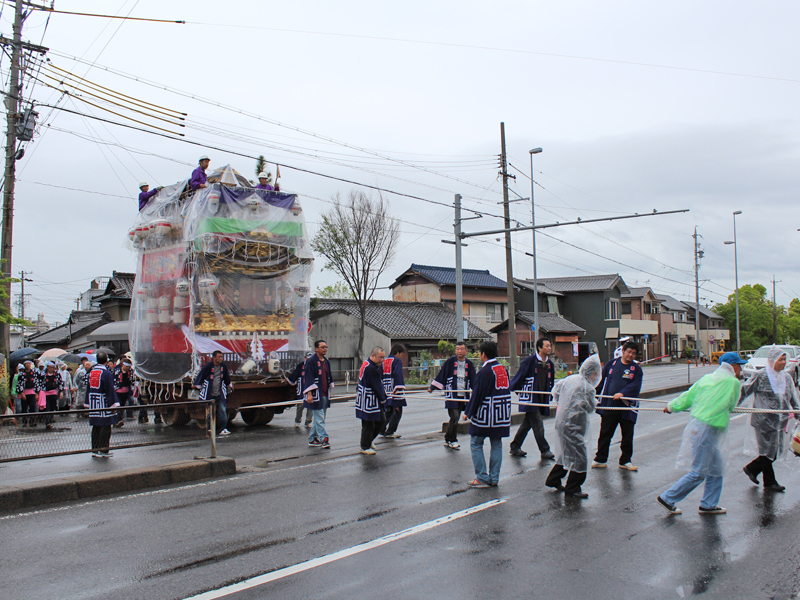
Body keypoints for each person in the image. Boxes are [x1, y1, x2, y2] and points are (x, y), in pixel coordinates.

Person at [656, 352, 747, 515]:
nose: (741, 369)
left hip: (698, 427)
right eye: (740, 365)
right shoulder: (733, 382)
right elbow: (732, 405)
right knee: (699, 471)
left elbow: (688, 397)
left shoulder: (706, 378)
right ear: (732, 366)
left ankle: (709, 504)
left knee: (717, 468)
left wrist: (671, 407)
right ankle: (667, 497)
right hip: (708, 429)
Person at [739, 346, 800, 492]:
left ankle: (752, 469)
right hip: (763, 420)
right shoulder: (760, 375)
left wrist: (798, 414)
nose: (783, 362)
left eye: (785, 359)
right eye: (781, 359)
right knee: (767, 451)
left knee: (775, 451)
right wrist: (731, 404)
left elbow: (792, 398)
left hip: (781, 420)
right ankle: (770, 482)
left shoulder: (787, 377)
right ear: (772, 360)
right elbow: (744, 390)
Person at [545, 354, 603, 498]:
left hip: (561, 421)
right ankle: (573, 487)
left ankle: (554, 479)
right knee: (580, 457)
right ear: (593, 372)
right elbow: (590, 408)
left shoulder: (571, 378)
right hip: (574, 426)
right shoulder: (588, 388)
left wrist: (563, 402)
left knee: (565, 453)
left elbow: (556, 390)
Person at [464, 341, 511, 488]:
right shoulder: (502, 368)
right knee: (496, 444)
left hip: (486, 414)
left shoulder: (484, 371)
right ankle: (494, 477)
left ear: (483, 354)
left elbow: (478, 394)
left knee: (476, 443)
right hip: (501, 412)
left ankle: (482, 476)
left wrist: (468, 412)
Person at [592, 341, 643, 471]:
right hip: (610, 405)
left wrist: (623, 393)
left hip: (627, 407)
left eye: (633, 353)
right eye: (629, 352)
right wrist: (593, 394)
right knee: (605, 433)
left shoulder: (636, 369)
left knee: (627, 435)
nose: (630, 355)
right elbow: (601, 381)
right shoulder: (612, 364)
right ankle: (600, 459)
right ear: (623, 351)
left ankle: (625, 460)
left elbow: (635, 385)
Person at [509, 337, 555, 459]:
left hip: (542, 399)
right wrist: (511, 388)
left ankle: (515, 446)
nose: (549, 348)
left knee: (527, 424)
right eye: (547, 346)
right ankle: (545, 450)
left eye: (550, 346)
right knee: (538, 424)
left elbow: (551, 381)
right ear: (539, 348)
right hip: (531, 398)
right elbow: (520, 375)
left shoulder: (550, 364)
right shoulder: (529, 361)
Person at [429, 341, 477, 450]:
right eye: (457, 349)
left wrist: (476, 391)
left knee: (455, 418)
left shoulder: (469, 363)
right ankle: (453, 440)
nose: (459, 351)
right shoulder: (450, 362)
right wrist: (432, 387)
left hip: (463, 395)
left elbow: (474, 379)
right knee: (454, 417)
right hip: (452, 394)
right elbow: (442, 375)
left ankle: (448, 437)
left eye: (461, 349)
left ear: (466, 351)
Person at [87, 351, 120, 458]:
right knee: (105, 426)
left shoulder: (91, 372)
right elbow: (110, 390)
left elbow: (87, 388)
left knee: (96, 426)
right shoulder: (106, 373)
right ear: (106, 360)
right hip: (103, 402)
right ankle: (104, 450)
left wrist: (87, 403)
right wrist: (113, 405)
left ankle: (95, 449)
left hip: (93, 401)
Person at [356, 347, 388, 455]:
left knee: (379, 421)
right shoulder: (371, 368)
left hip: (365, 396)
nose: (382, 360)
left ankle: (367, 440)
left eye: (383, 357)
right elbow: (377, 385)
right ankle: (365, 446)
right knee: (369, 423)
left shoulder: (367, 363)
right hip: (369, 398)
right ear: (373, 355)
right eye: (380, 357)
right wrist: (383, 399)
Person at [194, 350, 233, 436]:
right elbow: (201, 375)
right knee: (209, 412)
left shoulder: (223, 366)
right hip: (209, 393)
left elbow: (226, 377)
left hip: (220, 393)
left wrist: (229, 384)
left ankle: (223, 428)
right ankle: (210, 428)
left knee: (222, 410)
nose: (220, 359)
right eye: (219, 357)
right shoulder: (208, 366)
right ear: (214, 358)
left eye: (221, 357)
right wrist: (197, 384)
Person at [302, 340, 333, 448]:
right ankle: (324, 438)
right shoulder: (311, 361)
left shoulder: (326, 361)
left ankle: (312, 438)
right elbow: (308, 378)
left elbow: (329, 376)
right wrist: (309, 394)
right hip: (316, 394)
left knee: (319, 418)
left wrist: (330, 390)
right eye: (322, 347)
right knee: (320, 418)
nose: (325, 349)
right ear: (316, 349)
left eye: (326, 347)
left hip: (324, 393)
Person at [381, 344, 407, 439]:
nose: (401, 356)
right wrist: (400, 388)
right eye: (401, 354)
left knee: (388, 411)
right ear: (398, 353)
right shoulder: (397, 361)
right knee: (397, 411)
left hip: (385, 388)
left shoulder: (384, 361)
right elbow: (398, 374)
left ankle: (381, 428)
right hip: (395, 389)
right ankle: (390, 431)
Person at [285, 351, 313, 427]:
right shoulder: (301, 366)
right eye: (308, 358)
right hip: (302, 389)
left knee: (311, 406)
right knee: (300, 406)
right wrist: (288, 380)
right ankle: (297, 420)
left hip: (312, 388)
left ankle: (308, 421)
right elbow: (294, 376)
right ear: (305, 358)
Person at [40, 361, 64, 430]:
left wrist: (61, 392)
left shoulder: (57, 374)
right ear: (47, 368)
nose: (52, 369)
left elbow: (60, 383)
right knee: (47, 408)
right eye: (50, 367)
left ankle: (50, 420)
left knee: (52, 407)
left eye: (53, 368)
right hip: (46, 393)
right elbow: (39, 383)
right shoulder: (43, 375)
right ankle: (48, 422)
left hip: (54, 393)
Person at [16, 360, 40, 426]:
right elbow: (19, 384)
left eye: (29, 364)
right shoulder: (21, 374)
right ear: (24, 365)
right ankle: (25, 421)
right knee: (24, 408)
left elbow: (37, 383)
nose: (28, 365)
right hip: (24, 392)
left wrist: (37, 393)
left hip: (32, 392)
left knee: (32, 407)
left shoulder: (34, 373)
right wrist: (22, 393)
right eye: (26, 364)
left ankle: (32, 421)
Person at [113, 360, 135, 427]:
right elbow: (114, 380)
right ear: (123, 365)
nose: (128, 368)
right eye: (126, 366)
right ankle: (116, 421)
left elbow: (132, 380)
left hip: (126, 391)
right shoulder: (117, 371)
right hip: (118, 391)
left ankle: (119, 419)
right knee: (118, 406)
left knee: (122, 406)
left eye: (129, 367)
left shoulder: (131, 372)